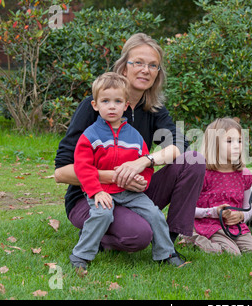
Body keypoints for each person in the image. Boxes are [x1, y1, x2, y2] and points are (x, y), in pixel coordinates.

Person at [54, 33, 205, 260]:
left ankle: (168, 244)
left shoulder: (153, 109)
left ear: (157, 73)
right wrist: (116, 177)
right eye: (139, 63)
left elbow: (179, 144)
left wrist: (143, 161)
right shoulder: (95, 107)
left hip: (134, 192)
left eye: (153, 65)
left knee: (193, 160)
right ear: (124, 67)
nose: (146, 70)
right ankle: (98, 236)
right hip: (92, 195)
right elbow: (61, 172)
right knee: (138, 236)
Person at [70, 72, 184, 269]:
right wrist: (95, 191)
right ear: (95, 105)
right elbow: (82, 167)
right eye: (105, 101)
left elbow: (146, 164)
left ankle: (166, 254)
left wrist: (143, 182)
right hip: (102, 190)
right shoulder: (90, 135)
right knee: (102, 215)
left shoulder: (135, 137)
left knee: (155, 214)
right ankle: (81, 256)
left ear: (125, 105)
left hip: (130, 193)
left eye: (117, 101)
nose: (112, 106)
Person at [184, 118, 252, 255]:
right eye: (229, 141)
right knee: (232, 254)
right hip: (209, 224)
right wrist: (213, 212)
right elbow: (187, 209)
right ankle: (190, 236)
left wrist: (241, 216)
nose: (236, 146)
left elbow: (248, 207)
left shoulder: (244, 174)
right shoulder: (203, 174)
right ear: (214, 145)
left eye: (239, 141)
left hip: (235, 226)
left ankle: (230, 241)